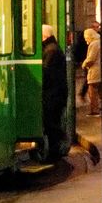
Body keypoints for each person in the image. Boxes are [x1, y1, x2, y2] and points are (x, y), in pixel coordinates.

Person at [41, 24, 68, 159]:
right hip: (57, 93)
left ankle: (55, 151)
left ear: (44, 36)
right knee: (53, 122)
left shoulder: (50, 50)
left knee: (51, 123)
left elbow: (47, 72)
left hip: (53, 95)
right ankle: (55, 149)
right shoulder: (53, 48)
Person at [81, 26, 102, 116]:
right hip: (100, 69)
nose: (86, 40)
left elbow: (91, 58)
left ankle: (95, 110)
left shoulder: (94, 44)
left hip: (95, 71)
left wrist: (84, 64)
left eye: (86, 37)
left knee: (92, 92)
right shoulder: (99, 42)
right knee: (99, 91)